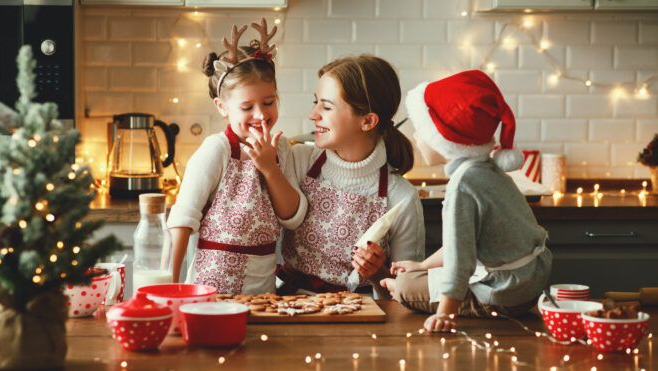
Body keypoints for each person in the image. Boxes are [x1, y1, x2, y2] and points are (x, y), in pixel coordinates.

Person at [380, 70, 552, 332]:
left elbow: (461, 260)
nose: (416, 137)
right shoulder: (488, 170)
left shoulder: (462, 186)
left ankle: (404, 291)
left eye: (422, 130)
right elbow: (462, 244)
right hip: (526, 282)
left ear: (446, 139)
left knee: (405, 285)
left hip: (502, 293)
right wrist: (423, 266)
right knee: (417, 274)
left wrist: (445, 314)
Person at [167, 19, 307, 295]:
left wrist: (269, 168)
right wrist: (170, 285)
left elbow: (292, 216)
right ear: (222, 107)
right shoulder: (216, 150)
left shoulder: (281, 150)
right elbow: (183, 218)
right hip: (212, 286)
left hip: (263, 289)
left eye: (269, 102)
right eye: (247, 107)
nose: (260, 114)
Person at [278, 55, 425, 297]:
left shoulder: (402, 198)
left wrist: (378, 274)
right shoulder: (299, 161)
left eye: (326, 107)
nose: (313, 115)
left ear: (367, 121)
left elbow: (407, 295)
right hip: (289, 304)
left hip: (360, 316)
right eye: (315, 103)